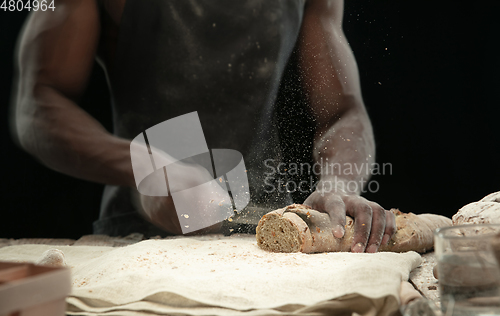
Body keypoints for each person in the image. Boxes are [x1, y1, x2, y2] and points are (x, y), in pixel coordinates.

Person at [11, 0, 395, 252]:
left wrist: (337, 185)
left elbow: (342, 112)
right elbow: (40, 102)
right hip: (136, 235)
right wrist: (149, 167)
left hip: (270, 236)